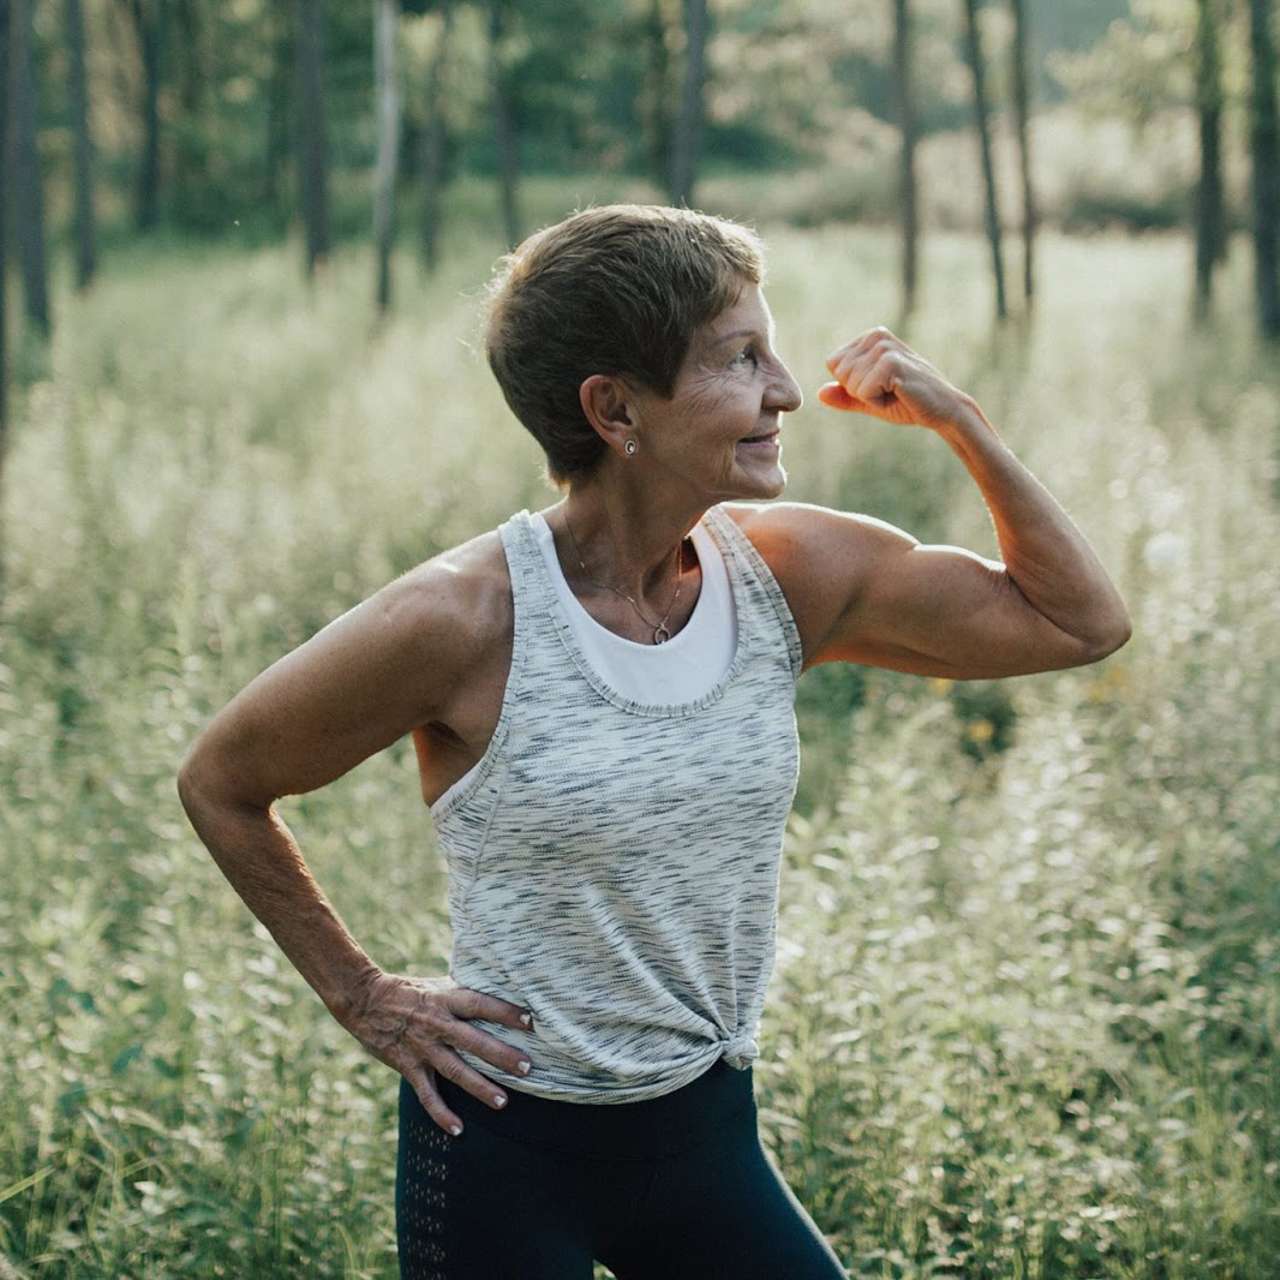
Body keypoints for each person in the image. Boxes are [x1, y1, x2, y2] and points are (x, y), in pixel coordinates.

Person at [176, 203, 1131, 1279]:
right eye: (740, 358)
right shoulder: (461, 618)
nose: (782, 388)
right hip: (500, 1150)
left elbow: (1076, 622)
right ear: (613, 406)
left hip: (702, 1137)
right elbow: (222, 779)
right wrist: (364, 996)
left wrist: (960, 419)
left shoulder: (782, 574)